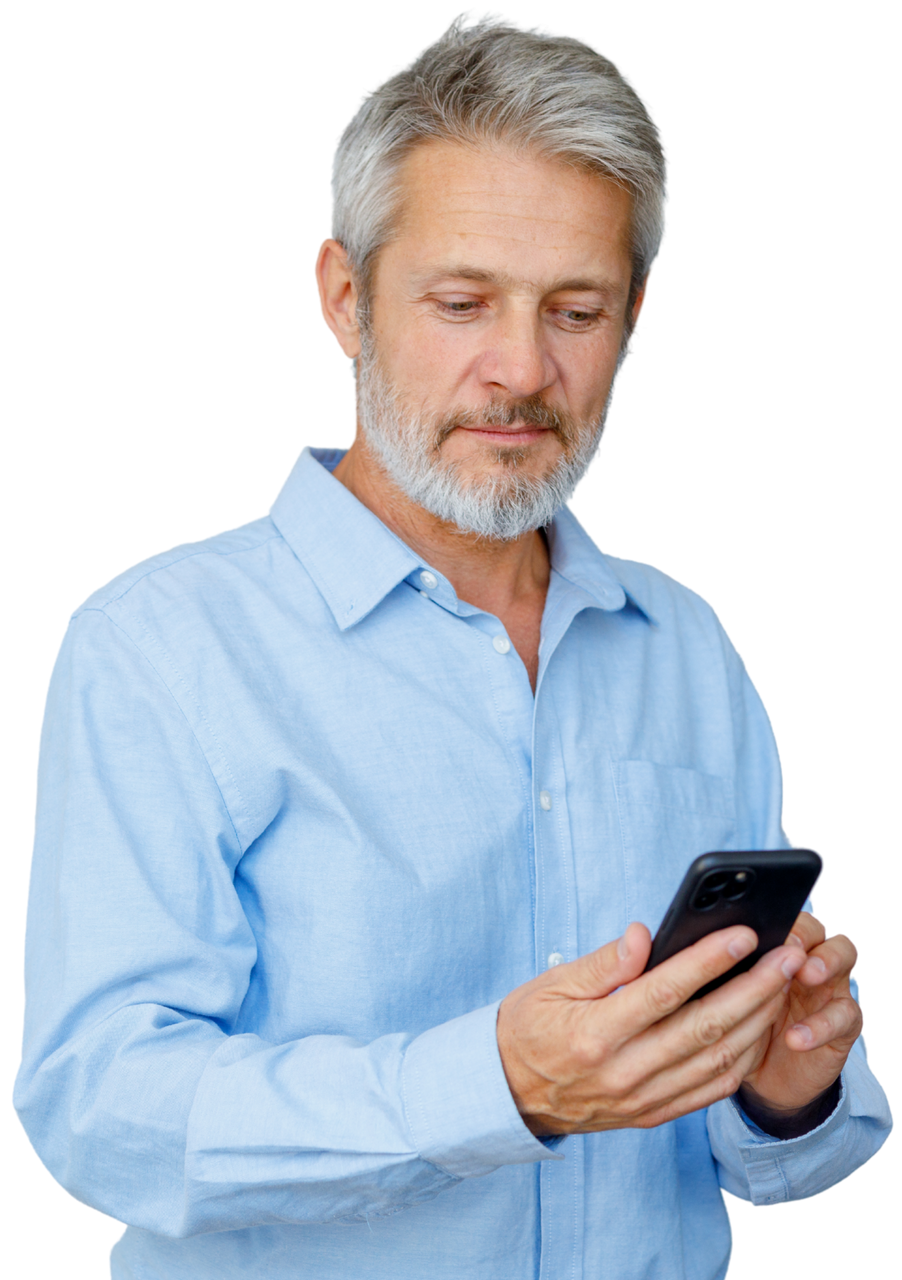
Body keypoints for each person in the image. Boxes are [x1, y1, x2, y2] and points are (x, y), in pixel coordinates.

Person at [14, 12, 891, 1279]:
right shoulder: (158, 645)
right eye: (463, 300)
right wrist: (495, 1083)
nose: (521, 370)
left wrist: (780, 1087)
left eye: (576, 309)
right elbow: (101, 1108)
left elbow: (762, 1157)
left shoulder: (687, 646)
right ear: (343, 297)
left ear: (633, 315)